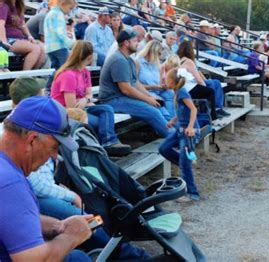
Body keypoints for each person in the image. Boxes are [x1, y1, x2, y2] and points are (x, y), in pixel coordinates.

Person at [0, 96, 93, 261]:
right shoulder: (10, 183)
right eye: (54, 147)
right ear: (32, 140)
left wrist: (58, 226)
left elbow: (11, 218)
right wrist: (71, 237)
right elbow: (32, 260)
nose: (54, 156)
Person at [51, 40, 131, 155]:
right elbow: (71, 106)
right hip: (66, 112)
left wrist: (86, 100)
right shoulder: (68, 75)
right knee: (102, 123)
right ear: (89, 57)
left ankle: (109, 143)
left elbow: (89, 95)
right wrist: (86, 101)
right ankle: (103, 147)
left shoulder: (84, 71)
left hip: (82, 106)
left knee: (107, 109)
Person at [99, 28, 173, 137]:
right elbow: (126, 89)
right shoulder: (119, 59)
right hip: (112, 99)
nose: (138, 43)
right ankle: (174, 138)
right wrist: (147, 99)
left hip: (121, 97)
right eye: (135, 41)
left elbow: (136, 83)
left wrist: (150, 97)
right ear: (126, 43)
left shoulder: (128, 59)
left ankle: (175, 131)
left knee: (157, 105)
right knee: (153, 111)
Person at [159, 67, 201, 201]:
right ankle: (185, 164)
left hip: (189, 132)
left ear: (173, 81)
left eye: (167, 79)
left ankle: (192, 193)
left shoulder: (182, 92)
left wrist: (190, 127)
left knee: (185, 164)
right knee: (163, 148)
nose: (165, 81)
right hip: (179, 130)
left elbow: (193, 109)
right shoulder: (176, 92)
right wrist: (173, 120)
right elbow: (182, 111)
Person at [178, 40, 229, 119]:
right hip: (191, 85)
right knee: (211, 87)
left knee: (216, 82)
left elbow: (198, 72)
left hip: (189, 83)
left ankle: (218, 108)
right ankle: (213, 111)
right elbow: (198, 78)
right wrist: (205, 85)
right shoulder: (188, 61)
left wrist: (206, 81)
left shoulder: (181, 59)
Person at [0, 0, 47, 70]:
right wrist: (4, 42)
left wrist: (29, 36)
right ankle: (24, 77)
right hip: (9, 39)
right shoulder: (4, 6)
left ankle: (33, 75)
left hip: (20, 38)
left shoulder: (19, 7)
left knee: (43, 48)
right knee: (35, 49)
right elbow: (1, 25)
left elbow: (23, 25)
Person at [136, 39, 175, 118]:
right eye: (159, 53)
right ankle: (169, 123)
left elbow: (159, 83)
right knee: (159, 101)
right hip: (145, 92)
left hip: (156, 90)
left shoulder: (156, 64)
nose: (160, 56)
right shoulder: (138, 62)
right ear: (153, 52)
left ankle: (172, 121)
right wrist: (154, 87)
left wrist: (163, 85)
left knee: (170, 94)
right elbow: (134, 84)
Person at [44, 0, 77, 92]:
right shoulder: (58, 14)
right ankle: (56, 89)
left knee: (58, 69)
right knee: (65, 69)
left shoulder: (51, 13)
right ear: (63, 4)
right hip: (59, 47)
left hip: (50, 48)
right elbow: (61, 33)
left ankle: (50, 89)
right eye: (70, 8)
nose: (69, 11)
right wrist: (71, 44)